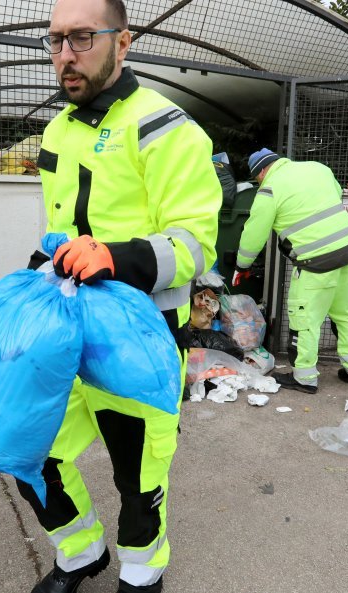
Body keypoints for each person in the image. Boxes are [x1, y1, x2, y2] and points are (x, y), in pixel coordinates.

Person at [18, 1, 221, 591]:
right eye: (55, 40)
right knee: (30, 447)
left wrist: (115, 256)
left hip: (141, 338)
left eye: (81, 38)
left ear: (123, 42)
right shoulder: (57, 130)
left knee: (138, 473)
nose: (65, 55)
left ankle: (141, 569)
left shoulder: (166, 127)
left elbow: (195, 243)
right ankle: (80, 552)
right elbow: (60, 226)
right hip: (66, 331)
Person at [233, 148, 348, 393]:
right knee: (347, 311)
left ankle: (304, 377)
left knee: (304, 317)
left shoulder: (269, 188)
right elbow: (336, 194)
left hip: (315, 262)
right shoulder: (317, 169)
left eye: (257, 177)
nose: (259, 181)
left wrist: (241, 265)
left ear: (262, 171)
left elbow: (254, 234)